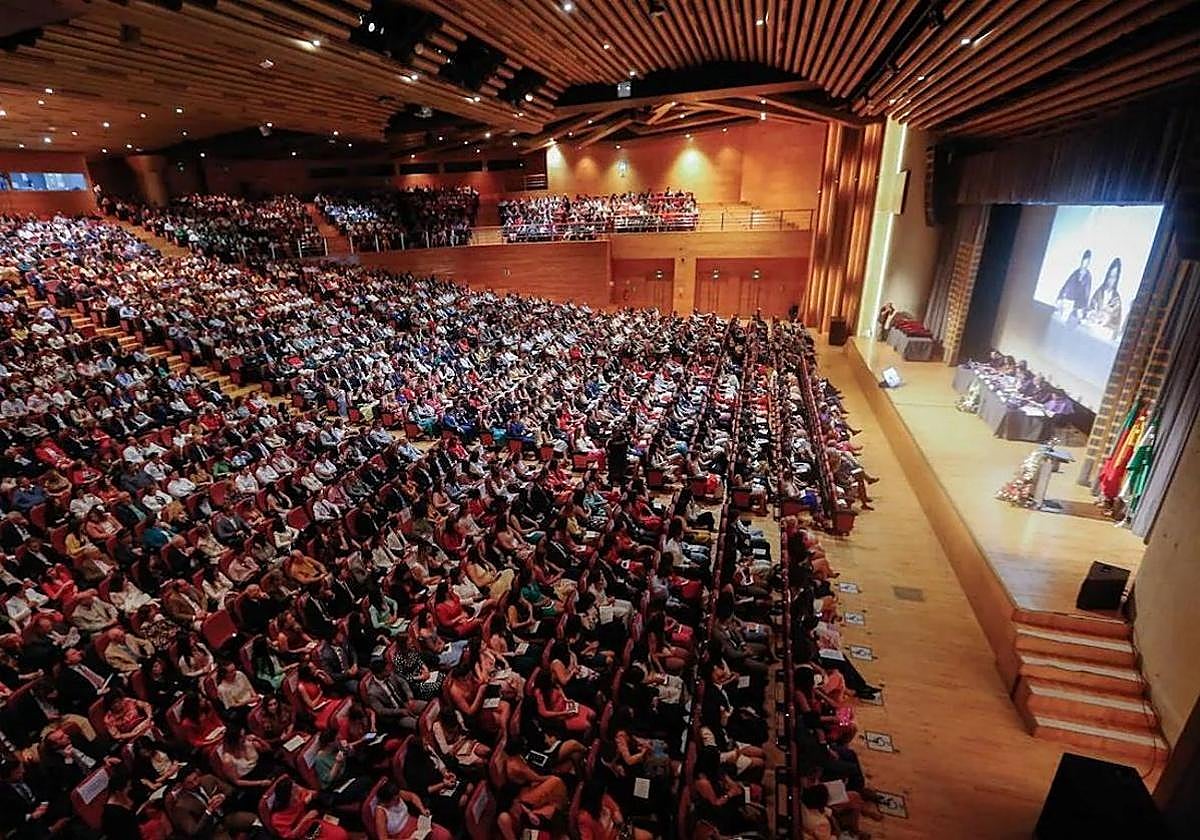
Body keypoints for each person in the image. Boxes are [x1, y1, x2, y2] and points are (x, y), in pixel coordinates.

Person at [1084, 257, 1123, 335]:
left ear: (1117, 279)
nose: (1111, 280)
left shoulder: (1116, 300)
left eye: (1114, 277)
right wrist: (1092, 315)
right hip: (1091, 330)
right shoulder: (1099, 292)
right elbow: (1090, 309)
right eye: (1110, 276)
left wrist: (1105, 321)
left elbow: (1116, 324)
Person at [1056, 249, 1092, 318]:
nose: (1085, 263)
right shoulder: (1076, 273)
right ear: (1082, 261)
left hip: (1077, 305)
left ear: (1089, 263)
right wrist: (1060, 297)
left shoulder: (1088, 276)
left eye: (1087, 262)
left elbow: (1087, 293)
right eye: (1084, 261)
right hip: (1067, 300)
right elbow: (1066, 285)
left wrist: (1083, 308)